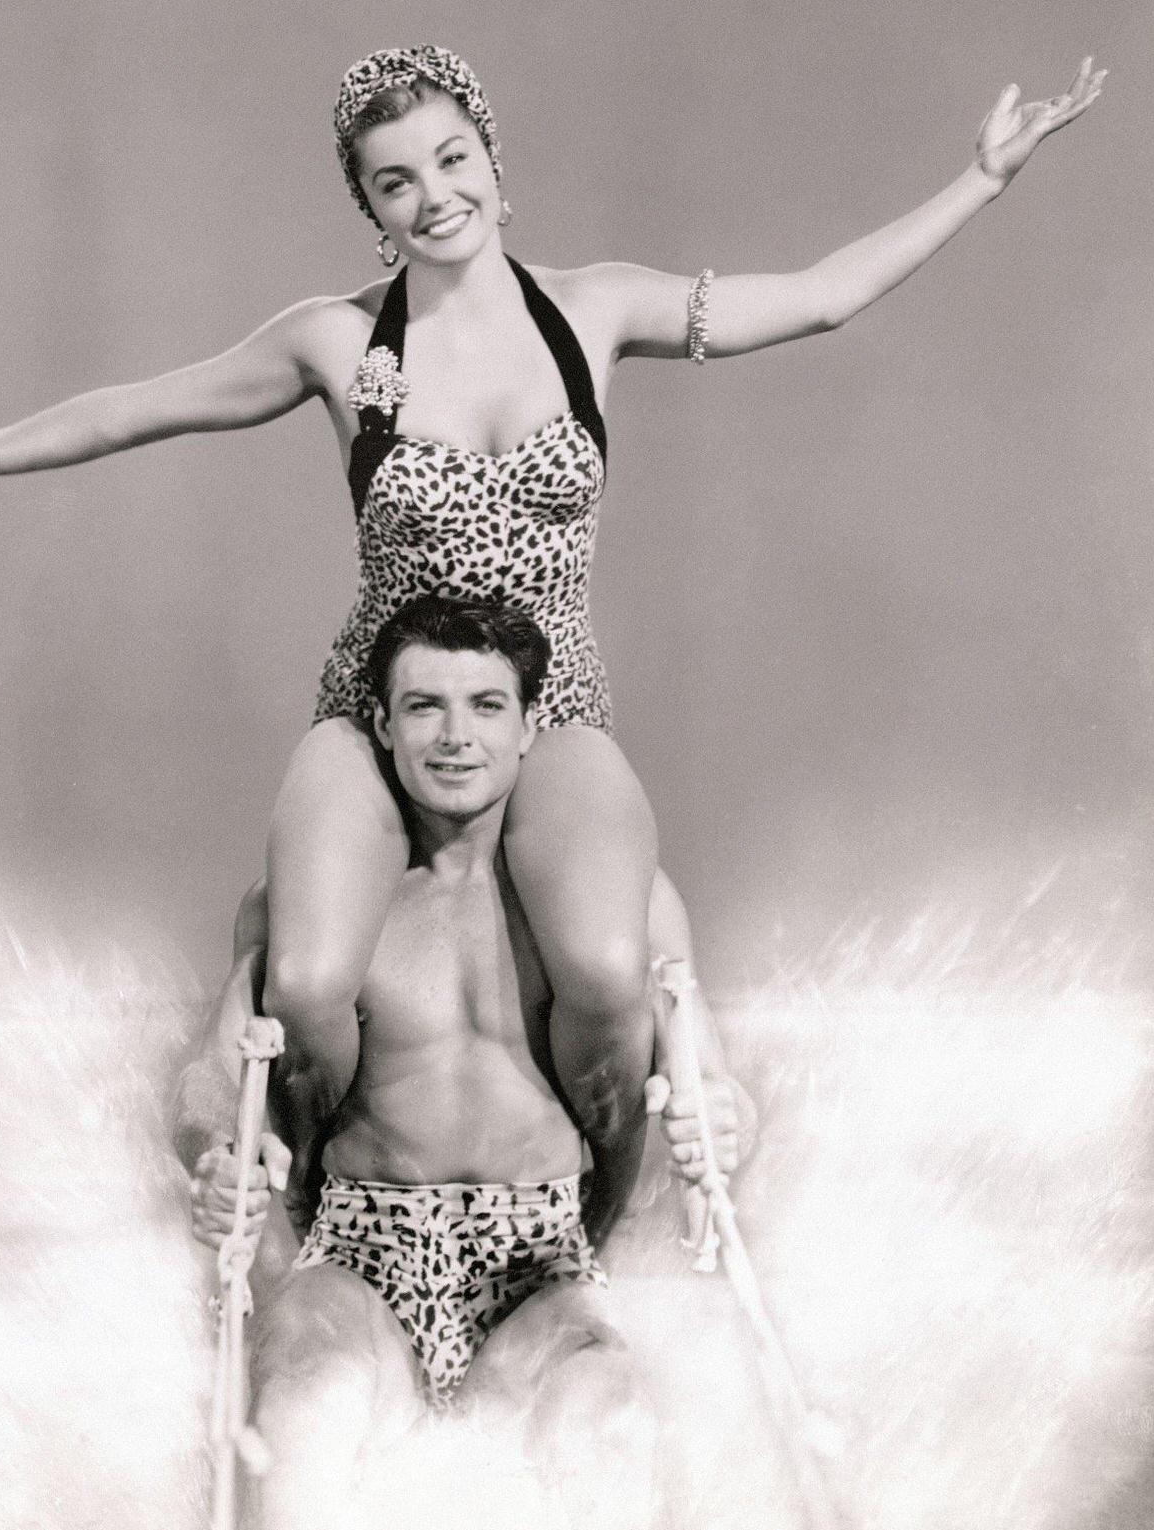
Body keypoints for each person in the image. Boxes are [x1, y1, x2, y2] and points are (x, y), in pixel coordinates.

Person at [0, 44, 1104, 1226]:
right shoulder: (337, 342)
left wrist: (977, 183)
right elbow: (134, 411)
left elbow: (822, 299)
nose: (432, 196)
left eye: (449, 161)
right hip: (378, 709)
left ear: (494, 160)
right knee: (315, 981)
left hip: (550, 709)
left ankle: (582, 1225)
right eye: (395, 182)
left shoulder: (594, 312)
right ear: (369, 208)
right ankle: (322, 1204)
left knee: (606, 974)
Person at [173, 594, 755, 1530]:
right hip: (361, 1259)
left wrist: (722, 1119)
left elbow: (712, 1082)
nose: (455, 736)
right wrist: (214, 1154)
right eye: (424, 706)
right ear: (381, 722)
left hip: (540, 1263)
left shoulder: (625, 901)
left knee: (613, 1425)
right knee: (301, 1415)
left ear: (531, 726)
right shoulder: (320, 904)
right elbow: (214, 1072)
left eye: (486, 705)